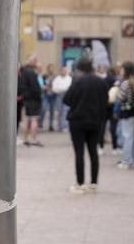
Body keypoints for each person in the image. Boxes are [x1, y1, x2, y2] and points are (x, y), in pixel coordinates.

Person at [63, 58, 109, 193]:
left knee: (79, 153)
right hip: (95, 122)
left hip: (78, 121)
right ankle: (94, 183)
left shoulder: (78, 81)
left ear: (80, 68)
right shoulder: (100, 82)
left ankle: (80, 183)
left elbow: (67, 99)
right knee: (93, 152)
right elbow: (105, 101)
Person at [17, 54, 44, 146]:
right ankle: (34, 139)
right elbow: (35, 88)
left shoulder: (24, 71)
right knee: (34, 119)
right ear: (32, 61)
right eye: (35, 61)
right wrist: (38, 96)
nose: (36, 63)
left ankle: (25, 138)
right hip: (33, 99)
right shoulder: (31, 72)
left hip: (27, 98)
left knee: (27, 119)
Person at [50, 65, 72, 132]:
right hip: (58, 96)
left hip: (67, 96)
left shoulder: (69, 78)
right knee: (60, 111)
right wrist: (62, 89)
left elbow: (69, 87)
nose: (64, 71)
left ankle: (65, 126)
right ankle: (60, 126)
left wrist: (60, 88)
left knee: (66, 111)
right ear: (61, 71)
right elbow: (54, 88)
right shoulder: (57, 78)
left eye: (65, 70)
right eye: (63, 70)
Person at [40, 63, 58, 131]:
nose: (51, 69)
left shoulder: (56, 76)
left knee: (52, 110)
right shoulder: (44, 76)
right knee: (43, 108)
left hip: (53, 95)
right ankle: (40, 122)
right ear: (47, 69)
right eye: (50, 68)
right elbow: (42, 83)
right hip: (45, 95)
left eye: (52, 68)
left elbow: (57, 84)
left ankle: (51, 125)